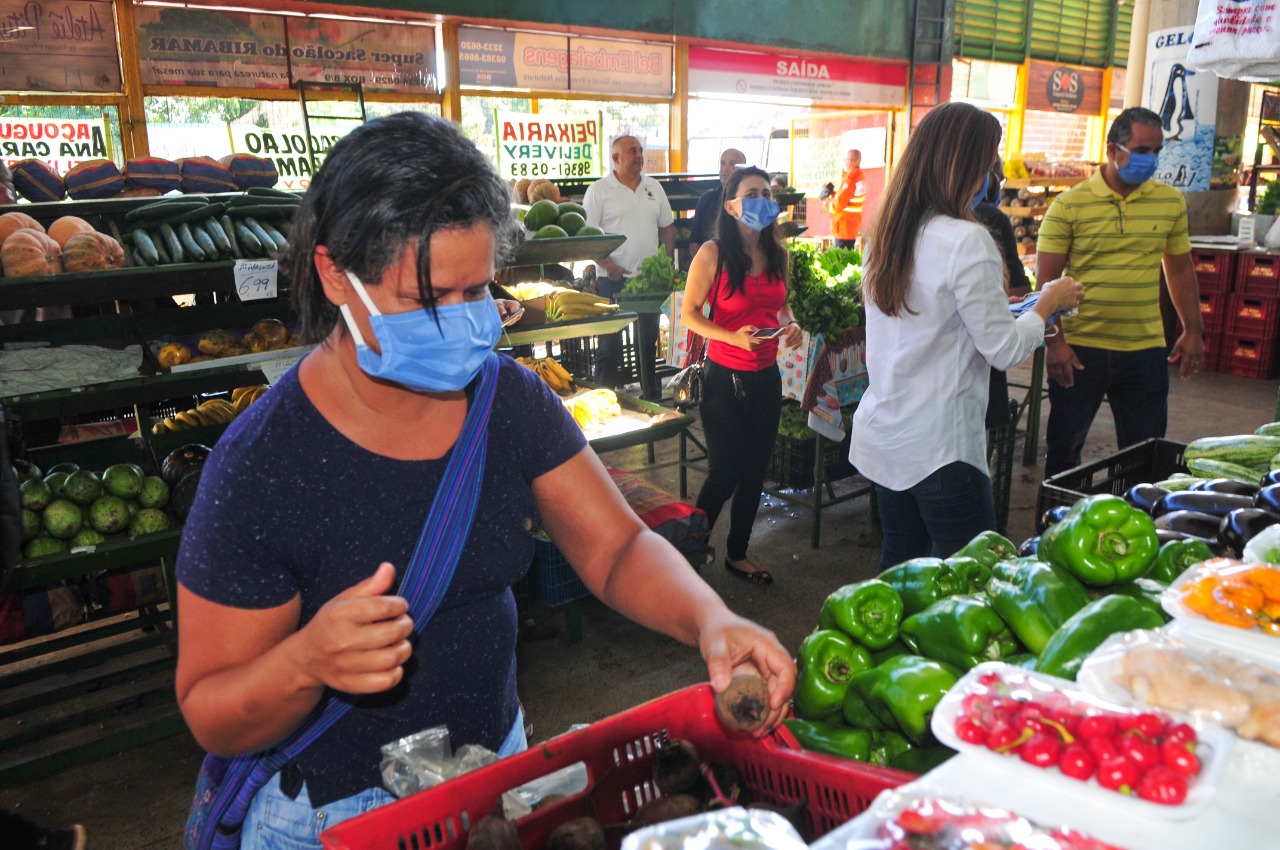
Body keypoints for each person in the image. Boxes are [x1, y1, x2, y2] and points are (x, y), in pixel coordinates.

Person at [173, 113, 795, 849]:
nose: (466, 322)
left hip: (494, 788)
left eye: (479, 290)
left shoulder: (507, 400)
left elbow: (616, 550)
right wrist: (305, 663)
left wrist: (708, 617)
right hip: (334, 821)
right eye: (432, 298)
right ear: (336, 274)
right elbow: (211, 707)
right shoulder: (263, 463)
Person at [849, 102, 1083, 569]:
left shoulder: (885, 233)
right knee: (972, 577)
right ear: (964, 165)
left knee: (901, 567)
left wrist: (1020, 308)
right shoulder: (966, 239)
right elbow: (1003, 350)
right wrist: (1048, 303)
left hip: (886, 434)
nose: (990, 175)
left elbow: (933, 320)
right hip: (940, 448)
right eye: (988, 162)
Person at [1037, 106, 1204, 477]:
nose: (1151, 160)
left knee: (1145, 457)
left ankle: (1136, 525)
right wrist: (1055, 344)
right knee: (1064, 454)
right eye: (1142, 151)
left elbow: (1178, 268)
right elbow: (1045, 285)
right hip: (1080, 351)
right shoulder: (1069, 206)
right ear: (1113, 150)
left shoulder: (1170, 201)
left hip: (1144, 350)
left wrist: (1193, 330)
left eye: (1157, 151)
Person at [680, 166, 803, 586]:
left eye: (766, 193)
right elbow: (690, 315)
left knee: (755, 471)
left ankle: (737, 553)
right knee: (724, 472)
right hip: (723, 379)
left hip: (766, 376)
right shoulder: (712, 253)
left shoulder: (778, 254)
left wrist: (791, 324)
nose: (761, 200)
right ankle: (689, 551)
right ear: (730, 205)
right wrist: (731, 336)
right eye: (751, 193)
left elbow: (780, 306)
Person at [582, 135, 676, 390]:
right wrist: (607, 264)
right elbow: (586, 236)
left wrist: (666, 266)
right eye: (632, 151)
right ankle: (605, 398)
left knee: (647, 342)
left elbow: (667, 229)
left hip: (648, 284)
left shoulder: (654, 187)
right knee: (609, 346)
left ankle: (650, 399)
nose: (639, 156)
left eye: (640, 151)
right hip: (612, 280)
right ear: (616, 158)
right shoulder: (599, 190)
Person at [972, 158, 1035, 433]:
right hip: (974, 374)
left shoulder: (899, 221)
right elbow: (1004, 349)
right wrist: (1044, 309)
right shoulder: (987, 221)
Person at [688, 148, 747, 258]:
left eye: (732, 164)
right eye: (722, 163)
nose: (725, 169)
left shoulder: (750, 203)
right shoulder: (705, 201)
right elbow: (694, 242)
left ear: (744, 170)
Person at [829, 148, 865, 249]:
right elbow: (848, 197)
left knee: (841, 260)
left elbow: (838, 206)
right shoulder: (859, 176)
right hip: (852, 226)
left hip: (843, 227)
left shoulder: (850, 179)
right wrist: (834, 194)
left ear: (852, 161)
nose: (845, 162)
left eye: (846, 159)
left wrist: (826, 203)